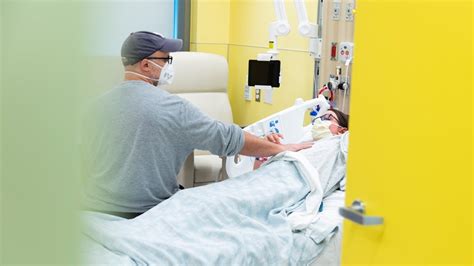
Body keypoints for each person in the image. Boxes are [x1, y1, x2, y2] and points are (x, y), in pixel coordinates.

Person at [81, 31, 311, 219]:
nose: (170, 66)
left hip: (96, 213)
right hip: (148, 216)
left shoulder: (93, 108)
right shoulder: (173, 109)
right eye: (166, 59)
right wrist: (282, 149)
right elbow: (228, 138)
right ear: (146, 65)